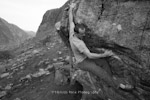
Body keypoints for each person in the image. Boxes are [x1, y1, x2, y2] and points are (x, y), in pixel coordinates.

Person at [68, 2, 133, 90]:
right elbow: (90, 55)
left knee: (104, 63)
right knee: (100, 72)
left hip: (85, 57)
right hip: (82, 62)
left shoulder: (72, 31)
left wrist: (71, 9)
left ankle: (109, 80)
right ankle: (121, 86)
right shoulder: (79, 44)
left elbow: (70, 20)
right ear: (77, 33)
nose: (84, 35)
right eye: (82, 34)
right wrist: (104, 55)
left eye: (84, 33)